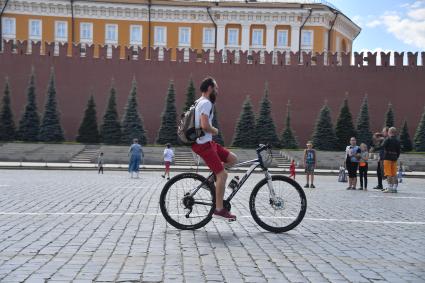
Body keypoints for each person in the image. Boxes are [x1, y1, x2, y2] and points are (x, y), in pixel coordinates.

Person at [191, 77, 238, 221]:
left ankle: (211, 180)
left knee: (233, 159)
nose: (217, 92)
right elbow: (205, 126)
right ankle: (219, 209)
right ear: (210, 88)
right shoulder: (206, 103)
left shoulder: (199, 101)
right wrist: (215, 130)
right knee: (223, 175)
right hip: (203, 145)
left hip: (207, 143)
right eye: (216, 89)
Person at [382, 127, 401, 193]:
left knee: (388, 173)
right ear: (395, 133)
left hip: (387, 158)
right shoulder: (397, 140)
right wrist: (396, 157)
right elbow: (399, 151)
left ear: (389, 132)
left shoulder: (388, 139)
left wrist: (374, 148)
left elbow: (382, 146)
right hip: (394, 158)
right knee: (394, 174)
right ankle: (395, 188)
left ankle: (389, 187)